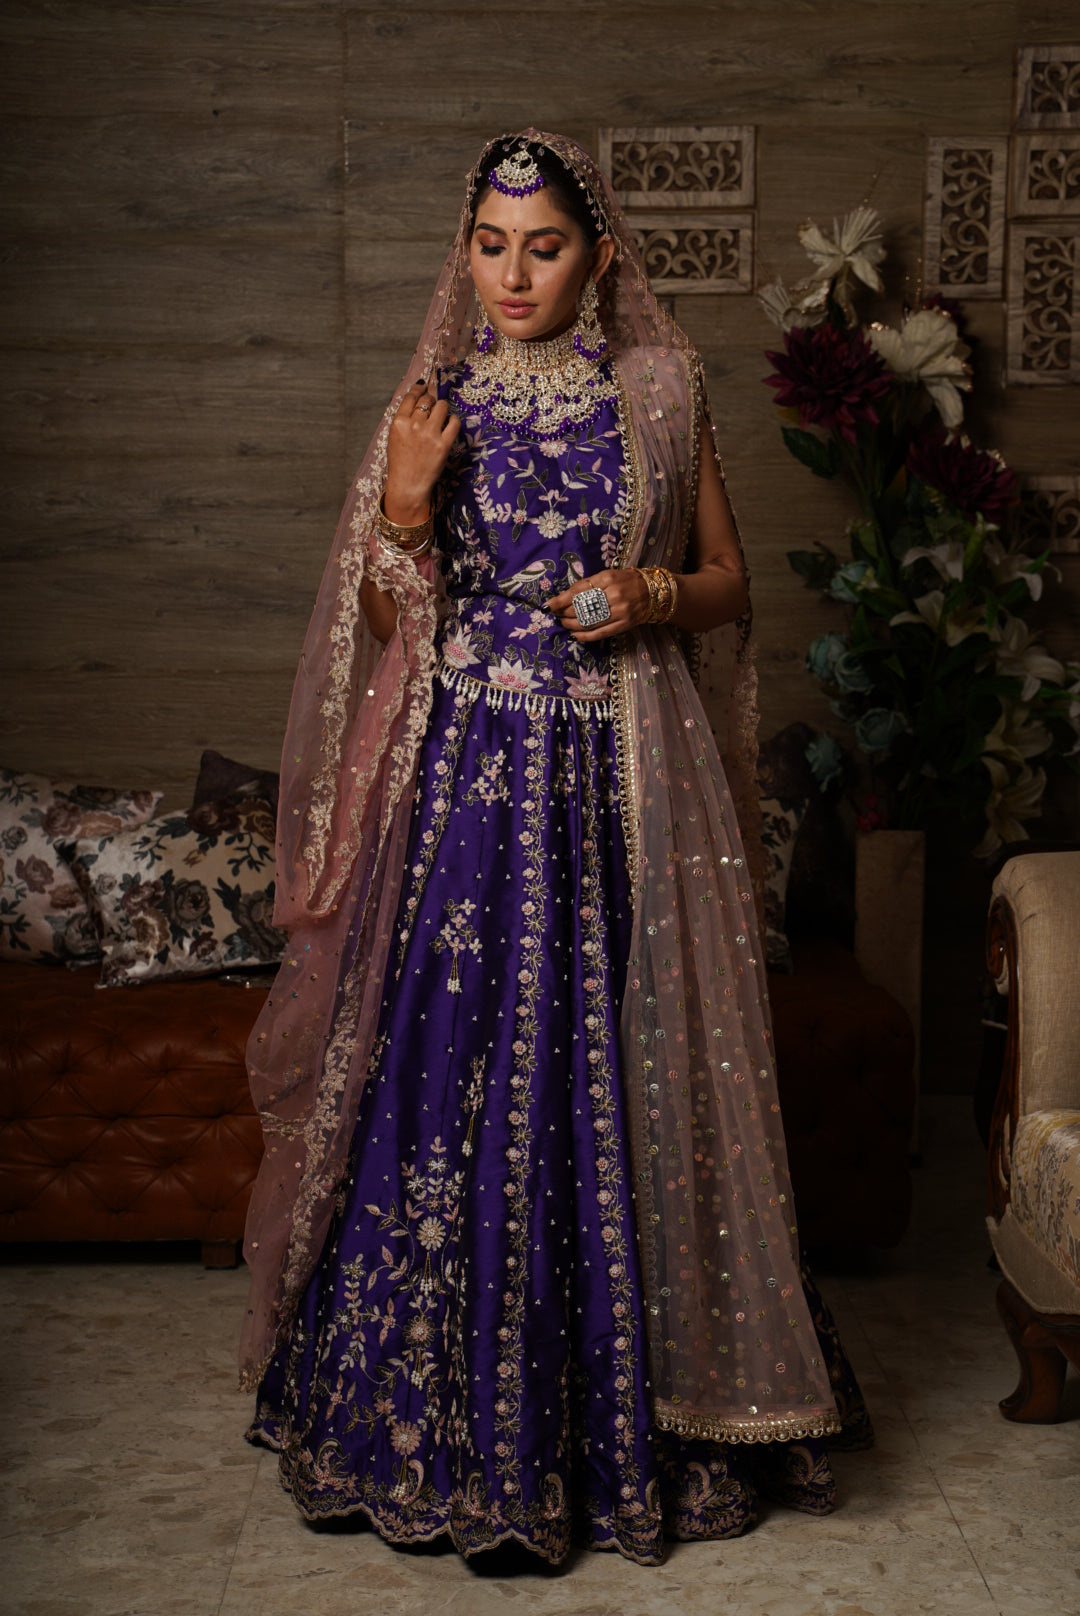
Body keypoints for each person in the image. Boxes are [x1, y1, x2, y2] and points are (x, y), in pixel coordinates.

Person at [241, 129, 871, 1567]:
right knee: (457, 1066)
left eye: (544, 246)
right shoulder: (433, 401)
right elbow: (388, 627)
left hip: (622, 775)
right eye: (490, 245)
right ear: (463, 251)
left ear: (599, 257)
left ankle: (658, 1414)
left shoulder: (661, 390)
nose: (513, 274)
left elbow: (729, 583)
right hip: (471, 785)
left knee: (628, 1060)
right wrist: (408, 504)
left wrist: (652, 594)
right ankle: (437, 1418)